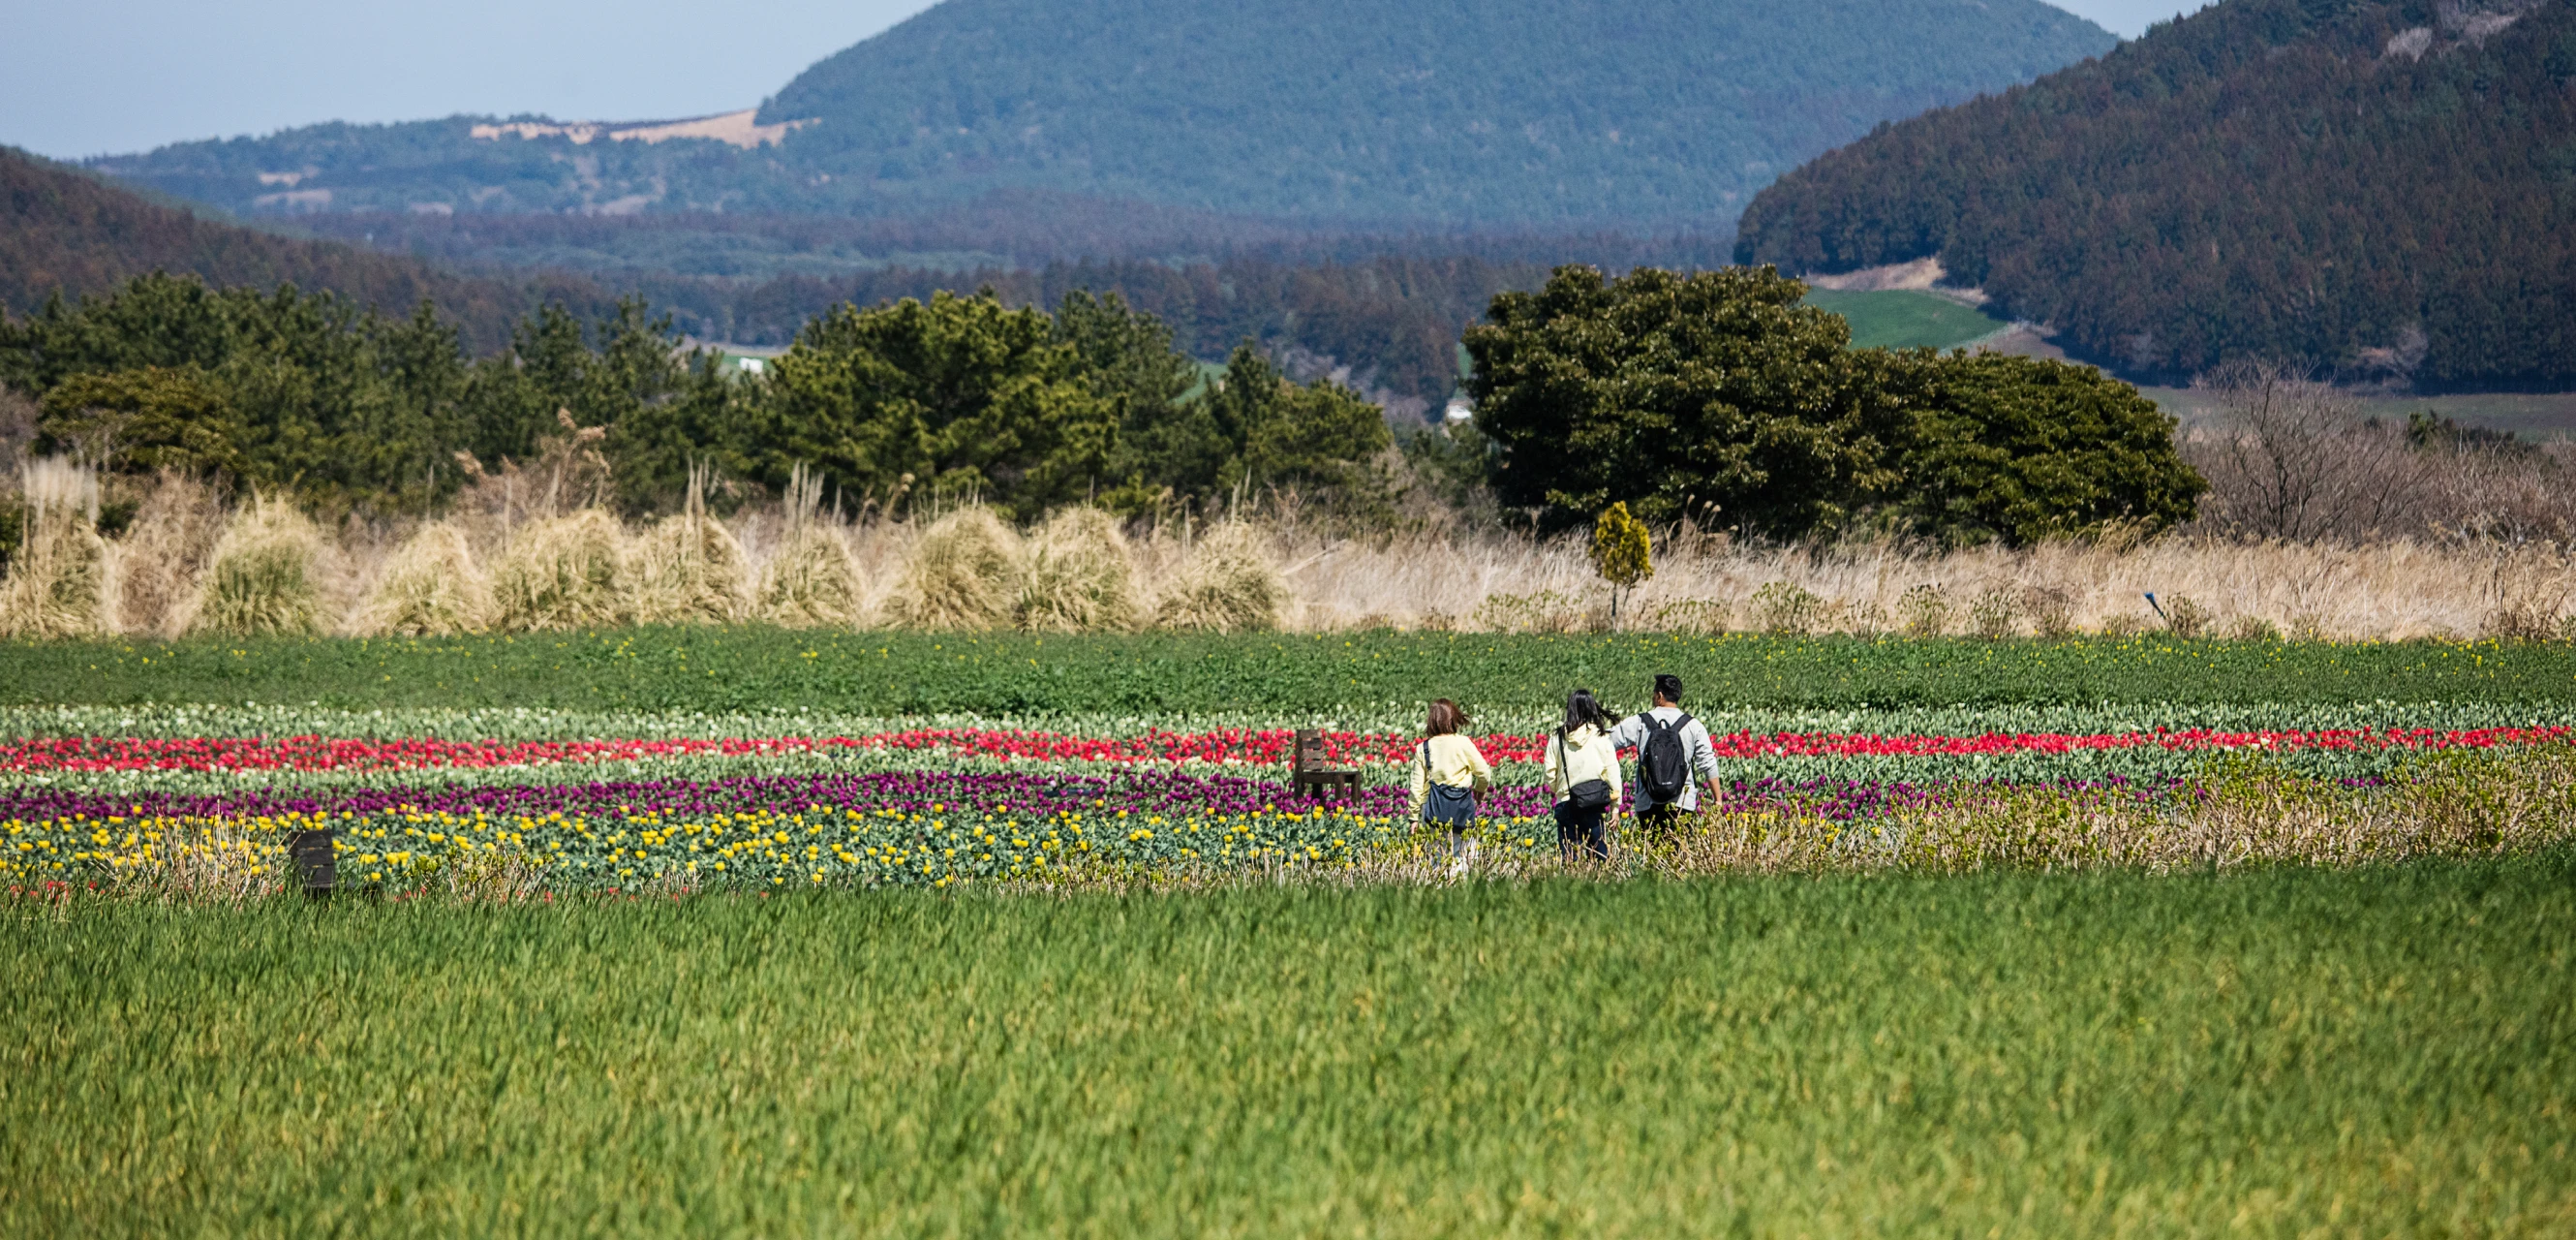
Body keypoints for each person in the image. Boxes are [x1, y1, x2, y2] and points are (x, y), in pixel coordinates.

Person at [1610, 672, 1723, 835]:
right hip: (1682, 803)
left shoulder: (1640, 722)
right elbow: (1708, 763)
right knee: (1679, 855)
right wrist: (1718, 799)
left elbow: (1608, 741)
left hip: (1648, 802)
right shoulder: (1693, 725)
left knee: (1652, 854)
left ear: (1660, 696)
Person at [1409, 698, 1493, 874]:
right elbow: (1484, 772)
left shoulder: (1423, 748)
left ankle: (1439, 893)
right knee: (1463, 855)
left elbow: (1416, 787)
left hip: (1432, 809)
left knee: (1436, 857)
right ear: (1453, 718)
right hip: (1461, 807)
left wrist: (1414, 818)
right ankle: (1460, 894)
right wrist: (1479, 789)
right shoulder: (1463, 743)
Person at [1545, 688, 1621, 863]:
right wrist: (1615, 807)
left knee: (1571, 859)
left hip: (1566, 804)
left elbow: (1550, 774)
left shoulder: (1556, 737)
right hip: (1593, 805)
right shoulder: (1601, 737)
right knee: (1601, 859)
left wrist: (1562, 792)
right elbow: (1612, 772)